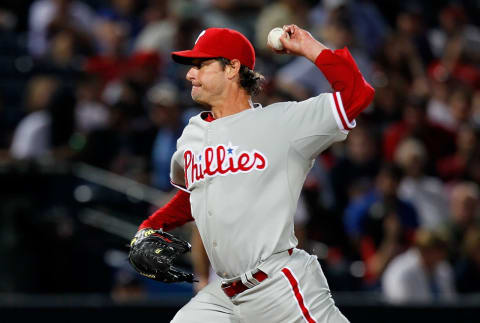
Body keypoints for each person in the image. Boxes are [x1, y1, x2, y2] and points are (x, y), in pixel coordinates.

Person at [133, 25, 374, 322]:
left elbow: (356, 94)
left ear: (232, 68)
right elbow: (195, 194)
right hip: (223, 292)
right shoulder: (191, 135)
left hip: (278, 285)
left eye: (201, 65)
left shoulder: (283, 124)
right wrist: (151, 225)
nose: (189, 74)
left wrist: (310, 47)